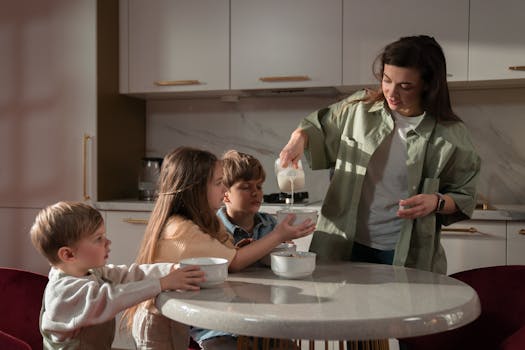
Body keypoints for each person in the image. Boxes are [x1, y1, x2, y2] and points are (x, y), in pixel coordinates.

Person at [279, 35, 481, 274]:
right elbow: (316, 125)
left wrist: (435, 202)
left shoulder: (449, 135)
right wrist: (297, 139)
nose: (391, 93)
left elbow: (464, 196)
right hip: (344, 242)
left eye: (405, 86)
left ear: (428, 84)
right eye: (386, 80)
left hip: (406, 251)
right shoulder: (358, 110)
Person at [125, 146, 315, 350]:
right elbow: (233, 262)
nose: (224, 190)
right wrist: (279, 235)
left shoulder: (206, 222)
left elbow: (226, 254)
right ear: (195, 189)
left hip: (184, 316)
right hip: (161, 321)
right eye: (218, 184)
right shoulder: (182, 229)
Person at [29, 201, 205, 350]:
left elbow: (130, 274)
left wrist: (170, 269)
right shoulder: (64, 292)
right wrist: (161, 284)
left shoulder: (90, 272)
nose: (108, 242)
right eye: (98, 238)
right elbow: (111, 297)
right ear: (68, 255)